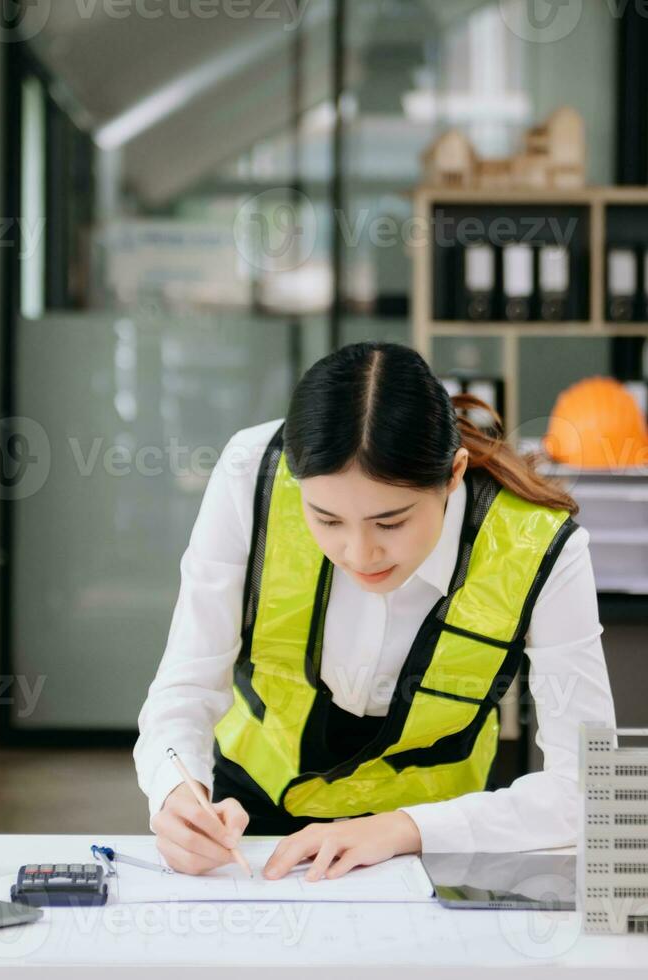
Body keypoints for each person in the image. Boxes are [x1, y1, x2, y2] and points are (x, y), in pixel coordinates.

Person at [134, 341, 615, 881]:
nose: (359, 555)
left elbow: (588, 785)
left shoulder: (540, 546)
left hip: (437, 842)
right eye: (327, 519)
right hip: (254, 829)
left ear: (453, 474)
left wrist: (401, 829)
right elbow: (186, 685)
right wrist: (177, 792)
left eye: (390, 523)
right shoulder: (251, 475)